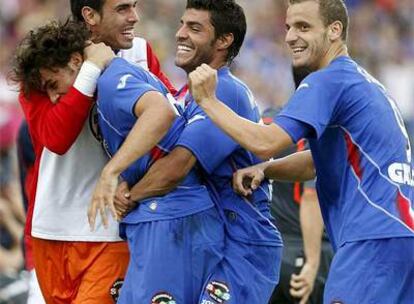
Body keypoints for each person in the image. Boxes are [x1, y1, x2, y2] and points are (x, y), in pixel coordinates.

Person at [188, 0, 414, 303]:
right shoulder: (361, 81)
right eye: (288, 27)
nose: (291, 36)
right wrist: (266, 169)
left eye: (304, 27)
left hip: (370, 238)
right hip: (398, 234)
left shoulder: (328, 81)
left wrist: (208, 101)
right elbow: (316, 162)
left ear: (335, 30)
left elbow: (266, 142)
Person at [114, 1, 283, 302]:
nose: (180, 34)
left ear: (223, 41)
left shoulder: (225, 91)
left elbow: (178, 166)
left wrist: (130, 196)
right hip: (218, 235)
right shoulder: (188, 95)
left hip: (245, 243)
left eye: (194, 28)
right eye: (181, 24)